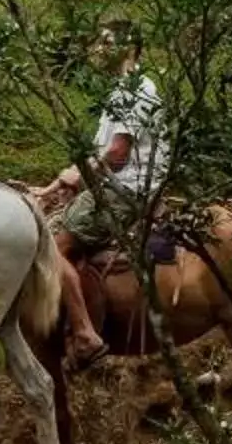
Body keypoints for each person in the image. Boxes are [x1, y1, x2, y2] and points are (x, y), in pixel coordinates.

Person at [42, 26, 167, 369]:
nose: (98, 48)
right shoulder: (117, 92)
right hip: (111, 184)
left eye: (107, 42)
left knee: (53, 249)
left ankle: (84, 334)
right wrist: (56, 185)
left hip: (124, 190)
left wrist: (79, 175)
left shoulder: (139, 89)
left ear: (130, 50)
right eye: (98, 41)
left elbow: (116, 155)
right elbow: (98, 153)